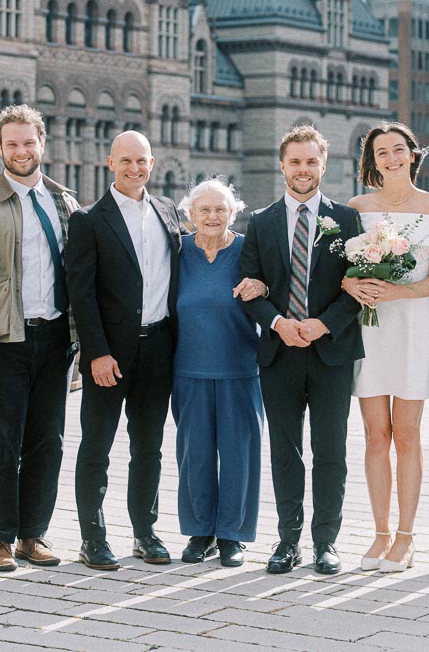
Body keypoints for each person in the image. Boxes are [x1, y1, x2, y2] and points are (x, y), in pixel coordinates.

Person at [0, 105, 80, 572]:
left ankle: (33, 535)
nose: (21, 151)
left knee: (49, 440)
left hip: (56, 338)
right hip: (3, 340)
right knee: (3, 440)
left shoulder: (64, 203)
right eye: (12, 144)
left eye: (28, 142)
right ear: (0, 149)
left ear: (42, 144)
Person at [239, 124, 363, 575]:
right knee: (285, 450)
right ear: (282, 166)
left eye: (312, 161)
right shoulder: (261, 220)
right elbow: (250, 287)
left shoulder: (347, 221)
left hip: (331, 352)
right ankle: (287, 541)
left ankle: (325, 543)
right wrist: (278, 323)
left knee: (331, 452)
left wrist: (321, 324)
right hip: (279, 353)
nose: (303, 169)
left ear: (323, 165)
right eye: (295, 162)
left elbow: (357, 288)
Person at [66, 130, 182, 570]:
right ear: (110, 163)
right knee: (96, 446)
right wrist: (95, 352)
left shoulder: (168, 211)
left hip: (159, 349)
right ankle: (92, 538)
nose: (136, 168)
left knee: (149, 446)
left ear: (152, 164)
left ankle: (144, 532)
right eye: (127, 161)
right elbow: (81, 293)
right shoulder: (89, 220)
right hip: (109, 355)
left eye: (143, 161)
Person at [342, 123, 429, 573]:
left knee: (406, 435)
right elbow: (339, 273)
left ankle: (406, 537)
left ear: (412, 154)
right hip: (369, 329)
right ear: (372, 160)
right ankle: (380, 533)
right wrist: (354, 284)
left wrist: (397, 293)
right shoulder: (355, 208)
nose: (391, 158)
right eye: (381, 152)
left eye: (398, 150)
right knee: (375, 436)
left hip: (413, 326)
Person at [171, 178, 269, 568]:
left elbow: (272, 288)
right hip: (188, 369)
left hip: (240, 370)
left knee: (239, 455)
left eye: (221, 209)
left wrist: (262, 285)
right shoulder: (177, 252)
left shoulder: (248, 251)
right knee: (194, 455)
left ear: (233, 212)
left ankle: (232, 536)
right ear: (190, 214)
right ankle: (200, 533)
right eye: (204, 210)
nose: (212, 216)